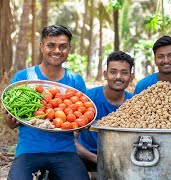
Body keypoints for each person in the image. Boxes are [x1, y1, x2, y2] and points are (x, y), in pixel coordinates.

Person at [4, 25, 90, 180]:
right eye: (51, 45)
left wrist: (79, 125)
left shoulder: (75, 80)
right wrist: (10, 121)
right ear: (41, 46)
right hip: (29, 150)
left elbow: (82, 115)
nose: (57, 51)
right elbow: (10, 122)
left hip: (65, 151)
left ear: (69, 48)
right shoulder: (23, 77)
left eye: (63, 46)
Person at [75, 51, 134, 172]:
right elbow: (72, 140)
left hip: (118, 159)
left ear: (131, 77)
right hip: (85, 157)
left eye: (124, 73)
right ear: (105, 74)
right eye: (113, 72)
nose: (118, 76)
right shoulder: (89, 98)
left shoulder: (133, 104)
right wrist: (97, 159)